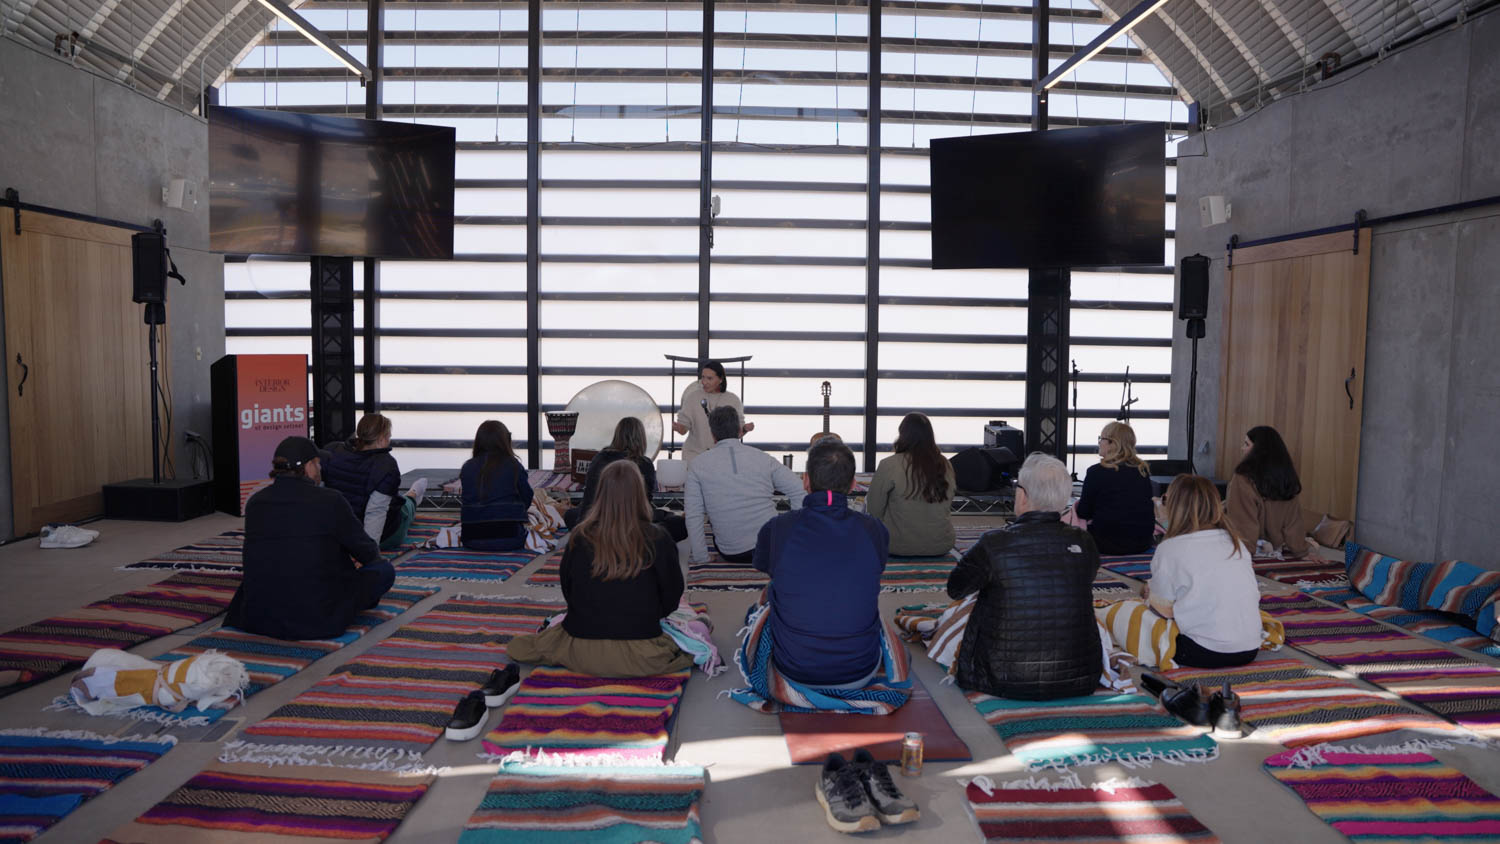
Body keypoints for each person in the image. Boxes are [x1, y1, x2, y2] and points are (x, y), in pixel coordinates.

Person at [727, 439, 912, 715]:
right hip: (860, 670)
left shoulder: (778, 528)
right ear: (852, 485)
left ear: (805, 481)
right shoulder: (874, 530)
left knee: (771, 594)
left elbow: (763, 565)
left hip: (794, 671)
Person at [506, 460, 693, 678]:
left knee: (522, 645)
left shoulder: (579, 537)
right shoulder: (659, 538)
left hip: (581, 649)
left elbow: (569, 592)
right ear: (640, 494)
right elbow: (671, 597)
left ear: (601, 494)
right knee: (695, 635)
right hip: (642, 650)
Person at [946, 453, 1102, 700]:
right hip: (1079, 679)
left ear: (1022, 495)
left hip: (998, 677)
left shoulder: (994, 543)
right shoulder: (1083, 541)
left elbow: (955, 589)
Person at [225, 436, 394, 641]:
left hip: (259, 619)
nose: (321, 468)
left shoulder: (255, 503)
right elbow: (368, 553)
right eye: (318, 463)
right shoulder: (330, 500)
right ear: (308, 466)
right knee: (383, 570)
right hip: (317, 621)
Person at [1142, 475, 1262, 668]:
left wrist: (1148, 595)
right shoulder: (1235, 542)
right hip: (1249, 649)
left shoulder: (1171, 548)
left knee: (1133, 615)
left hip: (1202, 651)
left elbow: (1162, 610)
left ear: (1173, 506)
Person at [685, 405, 803, 565]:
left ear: (713, 435)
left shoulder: (697, 464)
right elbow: (800, 491)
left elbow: (694, 515)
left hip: (732, 553)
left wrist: (701, 558)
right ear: (740, 431)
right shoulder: (763, 458)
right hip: (773, 546)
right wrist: (793, 534)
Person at [565, 417, 687, 542]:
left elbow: (589, 499)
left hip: (595, 528)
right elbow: (645, 504)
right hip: (632, 531)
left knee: (570, 515)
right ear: (641, 439)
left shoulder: (598, 458)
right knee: (678, 523)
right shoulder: (643, 463)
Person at [321, 413, 424, 551]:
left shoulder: (331, 451)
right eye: (389, 437)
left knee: (398, 501)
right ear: (381, 440)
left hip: (339, 535)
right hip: (385, 535)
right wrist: (368, 554)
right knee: (406, 507)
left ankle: (413, 494)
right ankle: (414, 494)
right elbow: (376, 512)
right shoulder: (386, 465)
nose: (389, 440)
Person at [867, 413, 955, 556]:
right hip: (942, 545)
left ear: (902, 435)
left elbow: (873, 508)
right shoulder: (945, 464)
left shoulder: (889, 464)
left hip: (896, 546)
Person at [1225, 425, 1311, 556]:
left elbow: (1242, 524)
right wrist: (1302, 552)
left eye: (1246, 444)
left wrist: (1243, 554)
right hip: (1272, 546)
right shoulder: (1287, 478)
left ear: (1259, 450)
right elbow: (1294, 524)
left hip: (1244, 545)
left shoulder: (1242, 478)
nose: (1242, 448)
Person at [1074, 421, 1155, 555]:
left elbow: (1084, 512)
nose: (1099, 442)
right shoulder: (1142, 471)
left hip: (1106, 544)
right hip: (1142, 542)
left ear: (1112, 443)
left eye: (1101, 439)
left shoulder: (1096, 472)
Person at [459, 420, 533, 552]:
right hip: (510, 539)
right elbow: (527, 497)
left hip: (471, 539)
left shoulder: (467, 467)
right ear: (506, 441)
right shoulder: (513, 465)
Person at [672, 360, 753, 464]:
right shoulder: (692, 397)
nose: (704, 382)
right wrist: (677, 427)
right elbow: (683, 430)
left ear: (720, 379)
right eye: (703, 377)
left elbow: (737, 434)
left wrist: (745, 429)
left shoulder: (733, 400)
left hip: (722, 458)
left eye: (709, 378)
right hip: (694, 456)